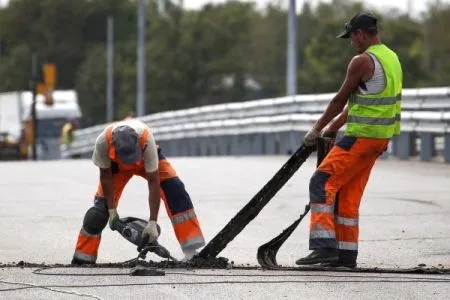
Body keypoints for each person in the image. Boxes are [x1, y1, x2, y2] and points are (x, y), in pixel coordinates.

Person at [295, 12, 403, 268]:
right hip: (379, 139)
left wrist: (316, 129)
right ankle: (346, 255)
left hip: (362, 137)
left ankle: (324, 248)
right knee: (347, 196)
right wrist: (333, 128)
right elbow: (360, 103)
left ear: (359, 34)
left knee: (321, 182)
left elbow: (340, 100)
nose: (351, 43)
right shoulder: (391, 58)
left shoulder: (362, 61)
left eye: (351, 38)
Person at [71, 118, 205, 265]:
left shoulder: (146, 140)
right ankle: (83, 258)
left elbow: (154, 182)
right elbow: (105, 176)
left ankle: (192, 252)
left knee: (175, 190)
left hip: (144, 159)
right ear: (113, 147)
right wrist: (111, 210)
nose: (131, 162)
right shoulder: (102, 143)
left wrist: (152, 222)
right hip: (116, 167)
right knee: (98, 212)